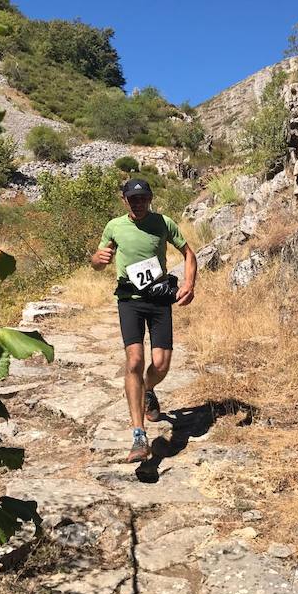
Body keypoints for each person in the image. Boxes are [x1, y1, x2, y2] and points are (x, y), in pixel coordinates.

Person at [90, 177, 197, 463]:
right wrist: (98, 259)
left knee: (161, 364)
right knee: (134, 361)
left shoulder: (163, 223)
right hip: (129, 301)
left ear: (150, 198)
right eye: (132, 199)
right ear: (124, 200)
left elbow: (188, 254)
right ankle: (139, 434)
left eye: (143, 198)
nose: (138, 203)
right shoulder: (114, 226)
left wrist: (189, 283)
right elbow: (98, 262)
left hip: (159, 299)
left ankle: (148, 389)